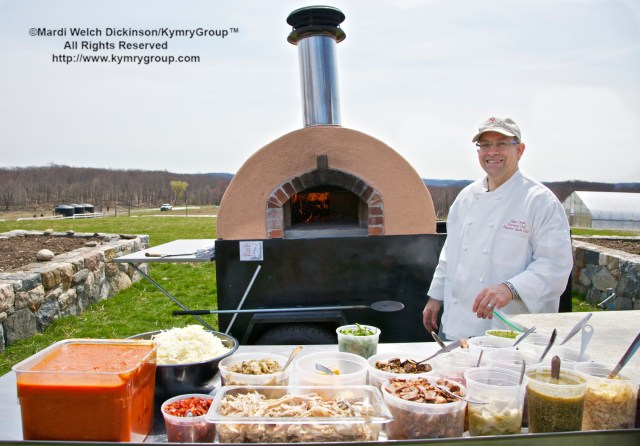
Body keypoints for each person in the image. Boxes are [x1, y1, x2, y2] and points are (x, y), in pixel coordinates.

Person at [422, 116, 573, 340]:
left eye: (501, 144)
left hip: (511, 330)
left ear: (520, 150)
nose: (492, 152)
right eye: (485, 145)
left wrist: (511, 288)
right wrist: (435, 297)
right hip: (457, 325)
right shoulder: (465, 198)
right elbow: (450, 254)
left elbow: (555, 264)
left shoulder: (540, 201)